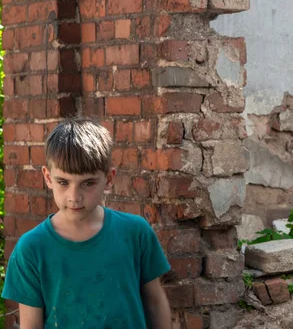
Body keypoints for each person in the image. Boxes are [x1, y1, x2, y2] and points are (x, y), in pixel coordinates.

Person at [2, 118, 172, 328]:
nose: (74, 196)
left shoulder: (136, 233)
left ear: (109, 179)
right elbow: (31, 325)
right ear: (47, 177)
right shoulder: (31, 249)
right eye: (63, 182)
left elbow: (155, 302)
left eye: (88, 183)